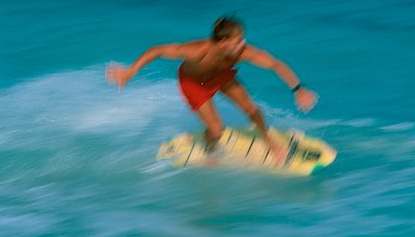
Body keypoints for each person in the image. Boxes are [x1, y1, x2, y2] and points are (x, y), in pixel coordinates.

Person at [106, 16, 318, 165]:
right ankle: (209, 152)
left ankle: (268, 140)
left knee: (252, 109)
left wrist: (298, 89)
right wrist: (129, 72)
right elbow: (158, 50)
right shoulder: (198, 51)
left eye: (242, 39)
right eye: (238, 41)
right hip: (192, 83)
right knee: (216, 130)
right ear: (223, 42)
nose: (242, 44)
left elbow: (275, 64)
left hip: (220, 76)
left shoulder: (241, 53)